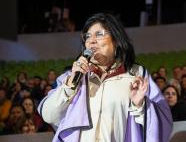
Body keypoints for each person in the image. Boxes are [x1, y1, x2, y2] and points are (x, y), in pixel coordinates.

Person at [38, 13, 172, 142]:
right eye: (88, 36)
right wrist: (70, 85)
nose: (91, 41)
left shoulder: (136, 74)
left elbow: (162, 122)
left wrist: (141, 106)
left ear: (116, 39)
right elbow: (49, 116)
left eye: (99, 34)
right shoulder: (71, 77)